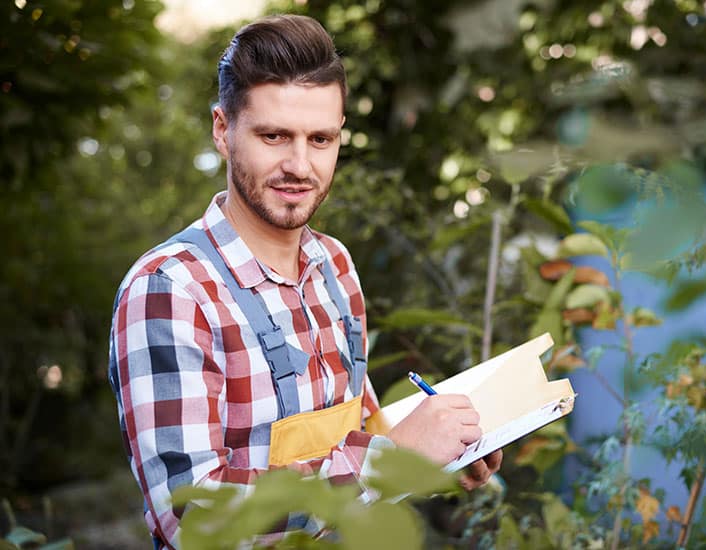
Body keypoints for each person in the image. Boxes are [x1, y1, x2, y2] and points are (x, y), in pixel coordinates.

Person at [108, 14, 502, 549]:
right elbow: (196, 521)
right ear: (223, 130)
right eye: (274, 136)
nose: (300, 164)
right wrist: (393, 462)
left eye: (321, 139)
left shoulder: (335, 265)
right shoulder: (170, 290)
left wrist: (437, 457)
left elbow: (355, 446)